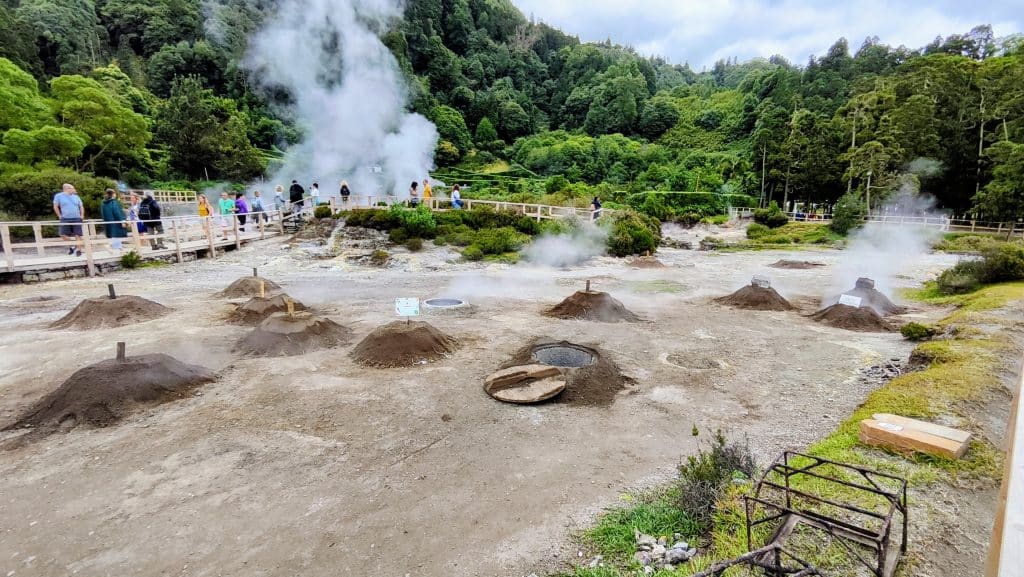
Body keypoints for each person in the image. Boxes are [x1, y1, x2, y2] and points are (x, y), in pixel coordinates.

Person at [53, 183, 84, 256]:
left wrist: (82, 215)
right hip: (65, 218)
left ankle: (79, 251)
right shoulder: (58, 196)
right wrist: (59, 216)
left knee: (78, 234)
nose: (74, 190)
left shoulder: (76, 197)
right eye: (73, 188)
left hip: (76, 218)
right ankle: (73, 245)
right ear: (67, 189)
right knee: (62, 234)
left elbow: (81, 206)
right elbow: (55, 206)